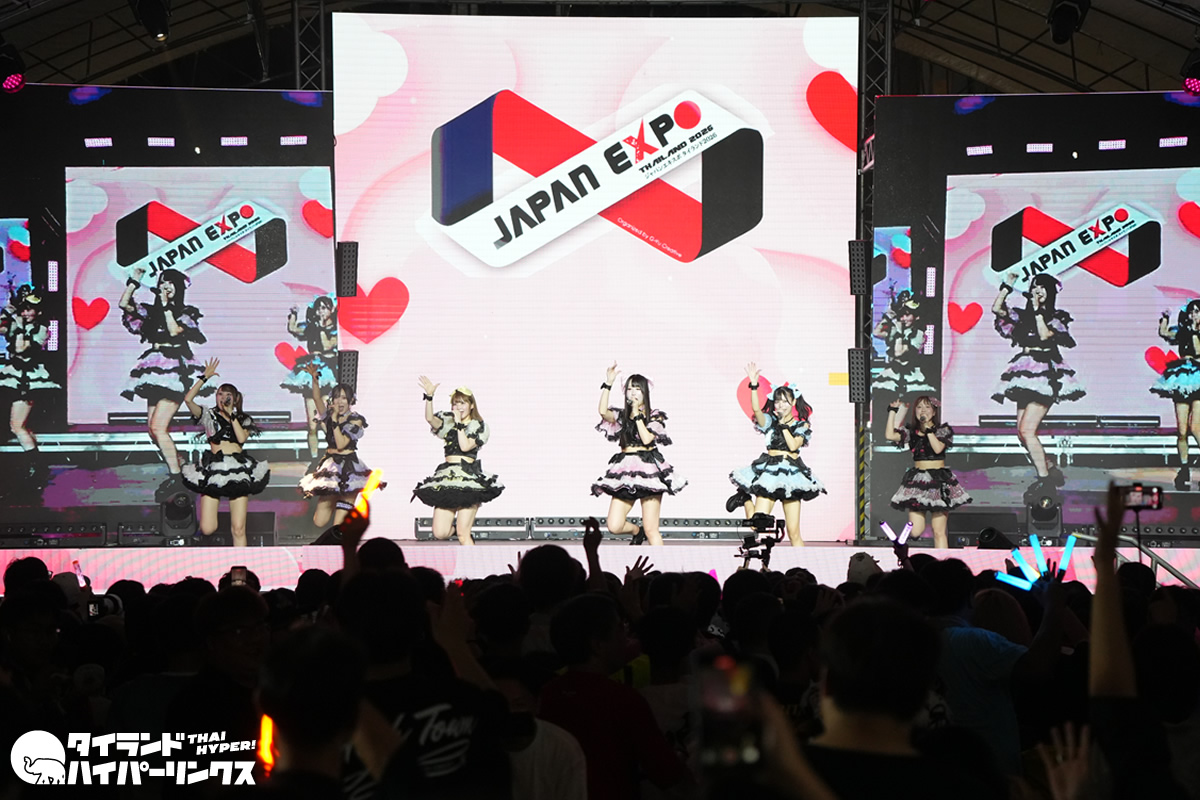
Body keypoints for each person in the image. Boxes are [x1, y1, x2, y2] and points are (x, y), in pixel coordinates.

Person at [117, 265, 211, 499]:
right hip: (154, 369)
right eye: (162, 282)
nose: (165, 286)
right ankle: (184, 468)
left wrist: (167, 306)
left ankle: (177, 479)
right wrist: (134, 281)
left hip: (176, 370)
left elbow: (175, 331)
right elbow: (124, 304)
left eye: (170, 283)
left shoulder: (185, 312)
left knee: (159, 428)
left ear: (178, 288)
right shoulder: (151, 311)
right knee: (152, 429)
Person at [991, 272, 1085, 499]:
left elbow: (1044, 336)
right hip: (1024, 373)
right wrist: (1007, 286)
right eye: (1035, 286)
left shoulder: (1056, 317)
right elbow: (997, 309)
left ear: (1050, 292)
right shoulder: (1022, 316)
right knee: (1021, 434)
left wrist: (1038, 310)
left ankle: (1045, 482)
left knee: (1027, 431)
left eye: (1043, 287)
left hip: (1045, 374)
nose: (1038, 290)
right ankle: (1050, 467)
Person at [726, 363, 826, 546]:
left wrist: (784, 425)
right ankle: (745, 499)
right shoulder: (770, 421)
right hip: (771, 473)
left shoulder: (801, 425)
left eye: (785, 401)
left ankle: (803, 561)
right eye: (778, 401)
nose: (780, 405)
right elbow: (756, 410)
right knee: (756, 524)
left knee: (794, 533)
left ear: (793, 403)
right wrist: (754, 385)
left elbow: (793, 445)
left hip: (792, 476)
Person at [592, 363, 685, 546]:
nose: (632, 392)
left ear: (645, 392)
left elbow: (647, 439)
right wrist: (608, 383)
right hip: (626, 470)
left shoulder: (655, 416)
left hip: (648, 470)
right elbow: (603, 412)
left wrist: (637, 416)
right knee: (614, 525)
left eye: (637, 389)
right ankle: (637, 531)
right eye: (629, 389)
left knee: (652, 529)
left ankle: (660, 562)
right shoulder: (621, 416)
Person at [180, 357, 270, 547]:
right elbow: (188, 400)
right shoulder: (208, 415)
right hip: (214, 469)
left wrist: (231, 415)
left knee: (238, 528)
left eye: (227, 395)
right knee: (207, 528)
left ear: (235, 399)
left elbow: (241, 438)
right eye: (220, 394)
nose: (223, 397)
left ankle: (242, 562)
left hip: (238, 469)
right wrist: (204, 378)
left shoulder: (242, 418)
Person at [412, 377, 503, 546]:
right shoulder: (448, 423)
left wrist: (460, 424)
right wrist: (429, 397)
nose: (459, 407)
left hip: (468, 479)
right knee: (439, 532)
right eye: (455, 403)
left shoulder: (478, 426)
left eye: (463, 403)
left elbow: (465, 446)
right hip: (448, 477)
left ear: (471, 405)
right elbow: (430, 419)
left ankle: (468, 549)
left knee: (463, 534)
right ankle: (459, 530)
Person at [885, 395, 970, 548]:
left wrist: (929, 431)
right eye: (919, 407)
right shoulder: (911, 432)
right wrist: (892, 411)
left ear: (934, 411)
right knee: (915, 531)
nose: (922, 410)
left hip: (939, 480)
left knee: (939, 531)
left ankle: (942, 561)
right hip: (918, 481)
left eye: (927, 407)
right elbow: (890, 435)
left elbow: (938, 449)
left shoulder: (943, 430)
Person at [298, 363, 373, 528]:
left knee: (338, 527)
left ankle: (343, 512)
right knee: (319, 521)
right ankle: (336, 502)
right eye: (337, 397)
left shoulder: (355, 419)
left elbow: (341, 444)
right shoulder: (328, 416)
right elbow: (317, 399)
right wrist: (315, 381)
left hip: (350, 469)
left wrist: (334, 421)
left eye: (344, 398)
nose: (340, 401)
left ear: (351, 400)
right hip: (331, 468)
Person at [0, 284, 60, 487]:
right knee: (22, 426)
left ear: (38, 312)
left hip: (28, 379)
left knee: (16, 426)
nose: (25, 313)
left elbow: (21, 348)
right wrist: (8, 310)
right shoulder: (17, 324)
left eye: (29, 309)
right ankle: (38, 465)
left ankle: (37, 466)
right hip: (14, 377)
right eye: (23, 309)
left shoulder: (41, 329)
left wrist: (17, 324)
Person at [280, 295, 338, 458]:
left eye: (324, 308)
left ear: (331, 310)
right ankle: (314, 457)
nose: (321, 311)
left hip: (327, 371)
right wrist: (294, 314)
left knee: (326, 421)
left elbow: (328, 345)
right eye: (318, 308)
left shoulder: (335, 329)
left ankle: (333, 454)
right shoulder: (312, 327)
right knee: (312, 424)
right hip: (311, 371)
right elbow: (294, 329)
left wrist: (321, 328)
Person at [1151, 300, 1200, 489]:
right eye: (1192, 312)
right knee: (1182, 430)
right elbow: (1164, 333)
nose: (1194, 315)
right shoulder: (1182, 331)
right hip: (1182, 378)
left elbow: (1198, 351)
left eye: (1197, 312)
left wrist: (1194, 331)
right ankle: (1184, 469)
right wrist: (1165, 318)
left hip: (1198, 376)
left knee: (1196, 428)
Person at [872, 289, 934, 427]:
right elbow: (877, 332)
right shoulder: (896, 329)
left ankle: (896, 432)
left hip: (908, 375)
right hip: (892, 374)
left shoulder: (919, 334)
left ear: (916, 317)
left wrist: (899, 331)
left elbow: (899, 352)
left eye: (907, 315)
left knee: (902, 409)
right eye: (902, 315)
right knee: (885, 407)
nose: (903, 319)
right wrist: (889, 316)